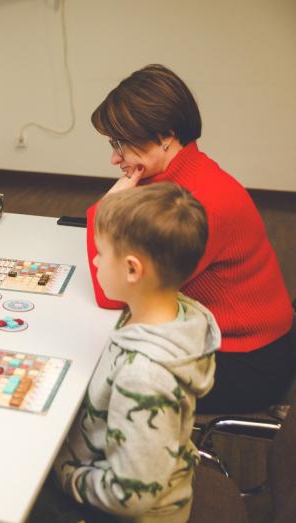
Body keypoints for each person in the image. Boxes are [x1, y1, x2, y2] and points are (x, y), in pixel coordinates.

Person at [86, 64, 294, 413]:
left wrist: (108, 208)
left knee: (98, 382)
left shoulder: (200, 202)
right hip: (221, 335)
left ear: (166, 135)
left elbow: (115, 294)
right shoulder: (172, 179)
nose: (114, 157)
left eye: (122, 142)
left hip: (246, 359)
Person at [51, 183, 219, 522]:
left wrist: (64, 475)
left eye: (100, 252)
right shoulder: (174, 312)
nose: (94, 261)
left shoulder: (145, 377)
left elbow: (129, 496)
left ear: (132, 270)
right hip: (111, 464)